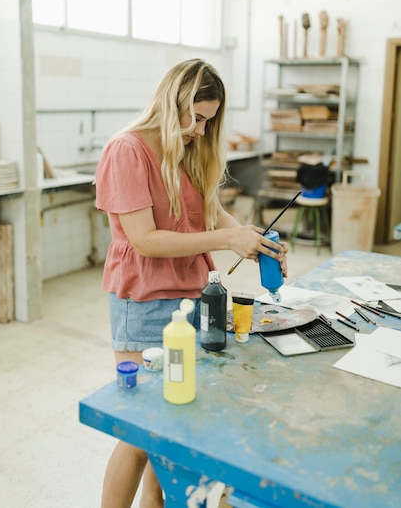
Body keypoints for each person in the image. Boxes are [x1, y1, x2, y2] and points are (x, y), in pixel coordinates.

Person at [95, 58, 288, 508]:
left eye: (209, 121)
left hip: (192, 296)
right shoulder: (128, 150)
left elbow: (211, 210)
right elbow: (144, 240)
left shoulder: (186, 149)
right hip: (143, 302)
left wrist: (254, 240)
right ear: (173, 102)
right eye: (197, 118)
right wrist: (228, 238)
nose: (201, 130)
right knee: (140, 430)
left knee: (173, 426)